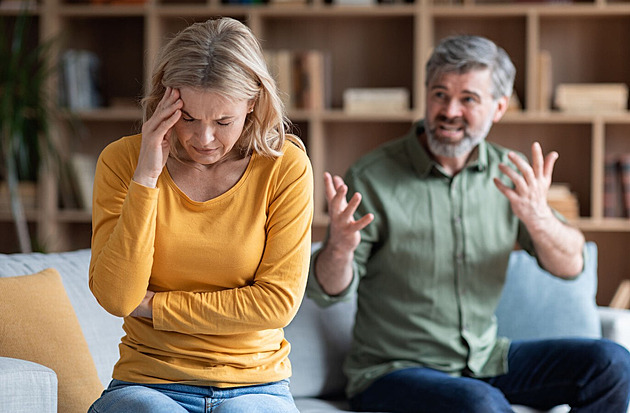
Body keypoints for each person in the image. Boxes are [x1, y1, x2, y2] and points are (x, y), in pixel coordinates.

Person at [308, 34, 630, 412]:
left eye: (468, 99)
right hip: (393, 371)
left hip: (484, 360)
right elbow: (328, 291)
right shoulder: (372, 177)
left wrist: (539, 219)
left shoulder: (511, 175)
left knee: (611, 365)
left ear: (498, 107)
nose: (450, 111)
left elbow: (573, 265)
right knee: (481, 403)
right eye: (440, 94)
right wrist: (339, 249)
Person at [87, 17, 313, 413]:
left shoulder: (284, 167)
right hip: (149, 383)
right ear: (163, 103)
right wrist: (146, 177)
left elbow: (277, 304)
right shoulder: (122, 161)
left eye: (223, 121)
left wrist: (156, 307)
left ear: (253, 103)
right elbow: (118, 297)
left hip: (256, 385)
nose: (203, 139)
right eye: (187, 118)